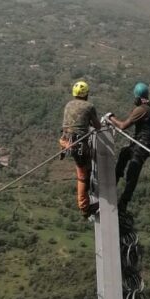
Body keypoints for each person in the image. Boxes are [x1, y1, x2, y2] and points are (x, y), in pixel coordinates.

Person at [104, 82, 150, 211]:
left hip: (142, 145)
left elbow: (122, 126)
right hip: (141, 143)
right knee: (124, 154)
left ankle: (123, 203)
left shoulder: (142, 109)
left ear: (138, 97)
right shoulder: (149, 108)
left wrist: (110, 117)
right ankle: (114, 182)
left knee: (132, 171)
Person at [60, 80, 101, 218]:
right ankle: (84, 208)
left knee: (85, 170)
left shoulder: (68, 104)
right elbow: (98, 126)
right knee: (83, 176)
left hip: (66, 140)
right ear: (86, 94)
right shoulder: (89, 106)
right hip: (78, 144)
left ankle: (86, 200)